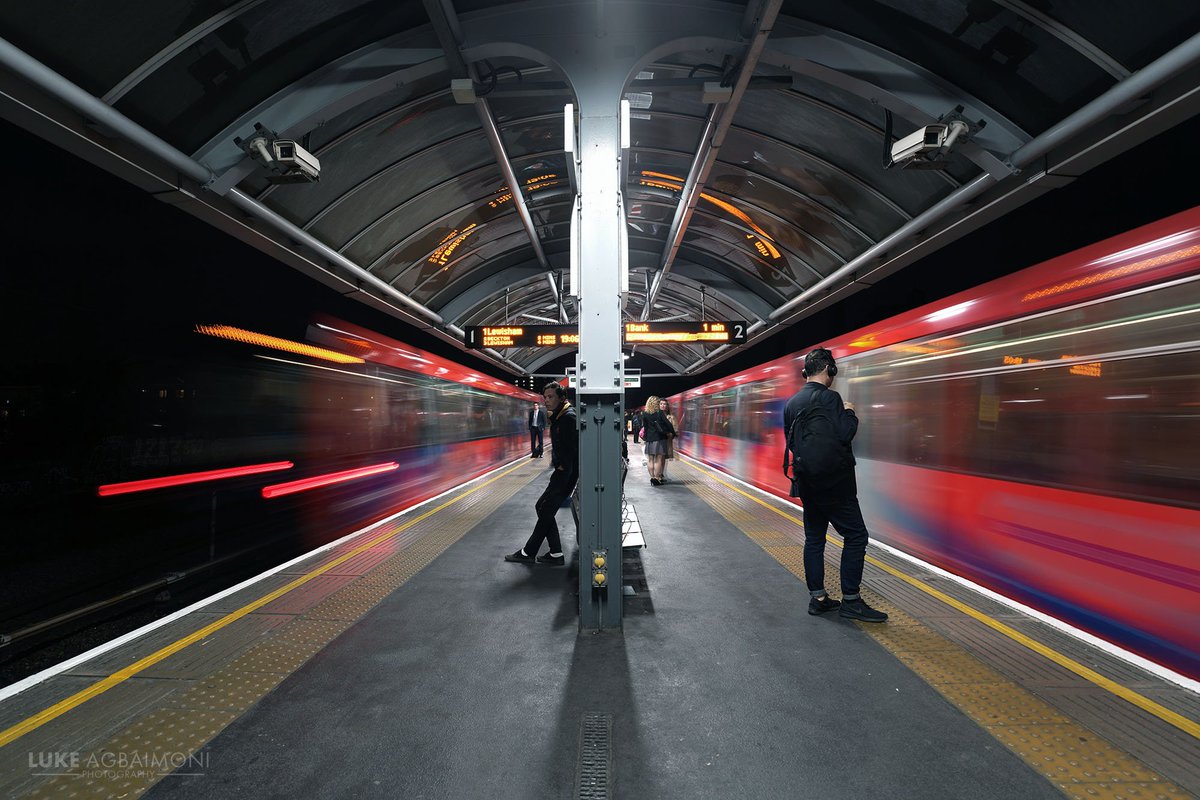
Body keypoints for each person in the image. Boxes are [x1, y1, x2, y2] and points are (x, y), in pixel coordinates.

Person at [783, 347, 888, 623]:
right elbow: (845, 434)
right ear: (830, 370)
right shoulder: (831, 398)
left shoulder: (792, 403)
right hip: (836, 484)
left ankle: (818, 598)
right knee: (856, 537)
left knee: (814, 539)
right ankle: (851, 600)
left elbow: (791, 443)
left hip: (806, 482)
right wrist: (851, 413)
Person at [506, 382, 578, 566]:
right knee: (543, 507)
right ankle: (554, 553)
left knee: (543, 508)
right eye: (545, 397)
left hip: (565, 474)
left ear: (562, 398)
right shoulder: (562, 415)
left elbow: (571, 447)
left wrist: (562, 466)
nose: (546, 400)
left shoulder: (567, 418)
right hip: (564, 473)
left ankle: (529, 552)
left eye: (551, 397)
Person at [642, 394, 675, 486]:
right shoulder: (659, 413)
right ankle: (657, 478)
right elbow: (668, 424)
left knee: (650, 459)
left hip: (649, 440)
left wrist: (646, 437)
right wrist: (672, 433)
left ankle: (652, 477)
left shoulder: (645, 414)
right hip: (659, 439)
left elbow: (645, 427)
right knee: (658, 459)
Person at [659, 398, 678, 477]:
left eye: (665, 404)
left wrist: (671, 434)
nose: (663, 406)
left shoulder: (671, 417)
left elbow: (676, 430)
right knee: (658, 458)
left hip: (666, 441)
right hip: (657, 440)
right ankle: (657, 474)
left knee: (663, 459)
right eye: (661, 404)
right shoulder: (655, 416)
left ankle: (661, 474)